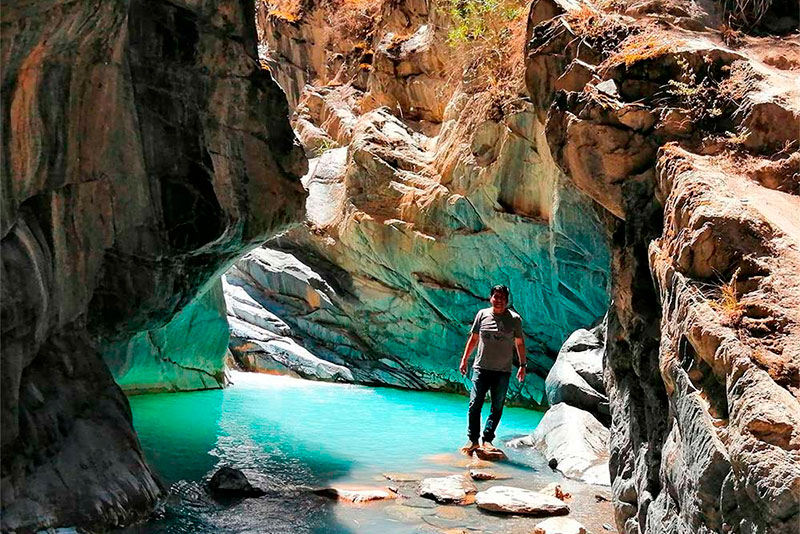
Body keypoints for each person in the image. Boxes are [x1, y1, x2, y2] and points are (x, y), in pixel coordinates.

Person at [458, 285, 526, 454]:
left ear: (507, 300)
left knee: (497, 407)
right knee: (475, 405)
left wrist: (523, 366)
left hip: (502, 371)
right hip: (481, 368)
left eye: (502, 297)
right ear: (491, 298)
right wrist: (464, 359)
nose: (499, 300)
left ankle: (487, 440)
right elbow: (473, 338)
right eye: (496, 297)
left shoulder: (515, 319)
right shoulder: (482, 315)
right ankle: (473, 440)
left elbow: (519, 343)